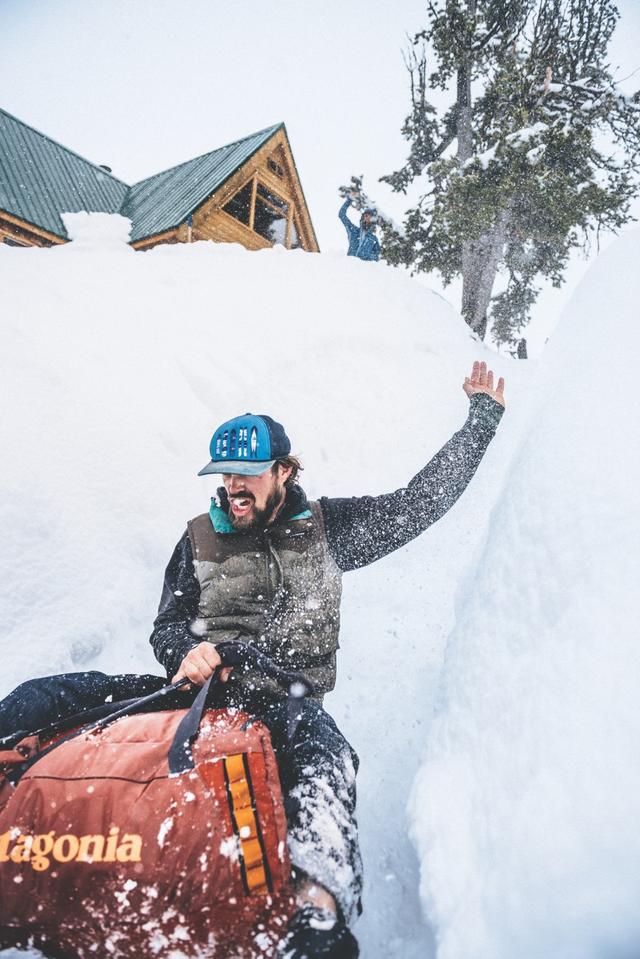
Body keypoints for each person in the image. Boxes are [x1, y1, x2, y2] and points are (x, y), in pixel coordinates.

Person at [0, 360, 505, 959]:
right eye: (225, 476)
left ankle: (317, 913)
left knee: (327, 758)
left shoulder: (328, 530)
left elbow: (418, 504)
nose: (234, 488)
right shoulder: (197, 540)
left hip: (281, 703)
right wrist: (184, 651)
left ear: (285, 471)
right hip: (197, 690)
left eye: (249, 475)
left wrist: (481, 422)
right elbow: (166, 625)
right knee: (52, 694)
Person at [338, 195, 380, 262]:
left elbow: (377, 257)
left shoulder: (373, 239)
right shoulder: (353, 231)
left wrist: (367, 257)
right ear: (363, 217)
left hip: (363, 270)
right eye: (366, 216)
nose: (367, 218)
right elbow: (341, 214)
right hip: (349, 267)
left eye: (370, 217)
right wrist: (350, 199)